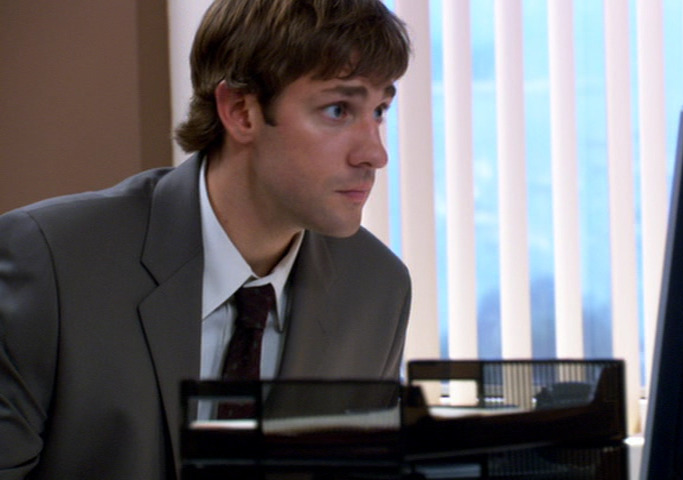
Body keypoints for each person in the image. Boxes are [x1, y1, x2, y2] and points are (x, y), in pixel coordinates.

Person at [0, 0, 411, 478]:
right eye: (338, 110)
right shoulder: (50, 261)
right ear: (240, 111)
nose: (375, 154)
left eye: (379, 110)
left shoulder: (377, 289)